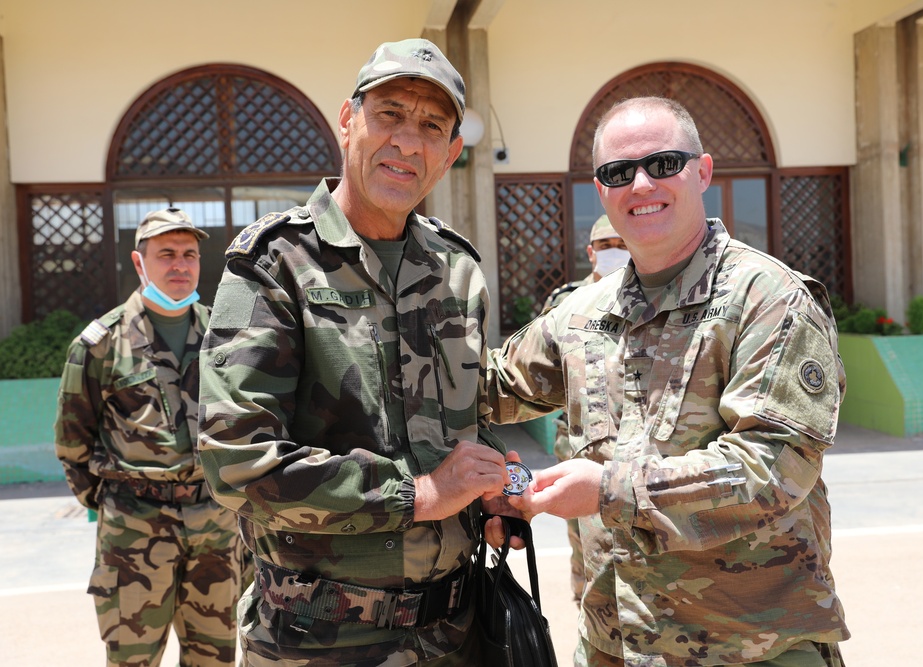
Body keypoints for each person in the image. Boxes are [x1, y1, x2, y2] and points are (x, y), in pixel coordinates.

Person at [487, 96, 850, 666]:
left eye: (662, 164)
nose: (640, 184)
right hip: (612, 643)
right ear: (600, 192)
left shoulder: (768, 299)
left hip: (746, 648)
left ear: (701, 172)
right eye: (617, 172)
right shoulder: (583, 313)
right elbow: (484, 389)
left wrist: (610, 490)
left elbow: (774, 468)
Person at [198, 38, 511, 666]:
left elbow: (466, 424)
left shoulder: (456, 272)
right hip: (319, 641)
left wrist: (490, 495)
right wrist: (418, 496)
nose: (406, 141)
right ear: (348, 121)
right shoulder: (275, 264)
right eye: (389, 113)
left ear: (451, 153)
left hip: (455, 634)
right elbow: (237, 463)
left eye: (431, 125)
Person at [54, 207, 242, 667]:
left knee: (215, 658)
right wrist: (118, 501)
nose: (180, 265)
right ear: (140, 264)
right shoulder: (100, 344)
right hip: (133, 530)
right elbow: (72, 439)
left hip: (215, 526)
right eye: (166, 254)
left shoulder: (227, 336)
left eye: (189, 254)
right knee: (132, 659)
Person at [538, 214, 630, 604]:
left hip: (632, 440)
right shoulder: (567, 301)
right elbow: (542, 367)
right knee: (584, 535)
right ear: (591, 252)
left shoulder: (649, 295)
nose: (614, 253)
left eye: (620, 245)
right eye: (606, 246)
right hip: (578, 439)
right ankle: (587, 605)